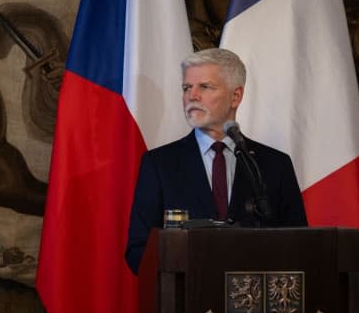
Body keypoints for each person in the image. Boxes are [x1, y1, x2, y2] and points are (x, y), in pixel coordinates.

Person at [125, 48, 307, 274]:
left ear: (236, 96)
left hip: (254, 302)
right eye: (186, 88)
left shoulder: (274, 165)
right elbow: (137, 250)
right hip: (187, 301)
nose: (192, 96)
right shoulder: (159, 164)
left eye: (205, 87)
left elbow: (300, 246)